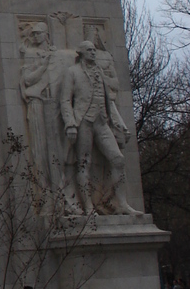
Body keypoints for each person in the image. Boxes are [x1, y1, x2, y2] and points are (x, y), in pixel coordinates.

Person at [59, 40, 141, 216]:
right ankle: (88, 207)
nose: (93, 53)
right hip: (83, 123)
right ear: (81, 53)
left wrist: (119, 124)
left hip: (102, 122)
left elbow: (108, 102)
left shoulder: (100, 73)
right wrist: (70, 123)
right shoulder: (72, 72)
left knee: (118, 159)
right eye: (89, 50)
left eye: (94, 50)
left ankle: (121, 203)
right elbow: (65, 100)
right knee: (83, 164)